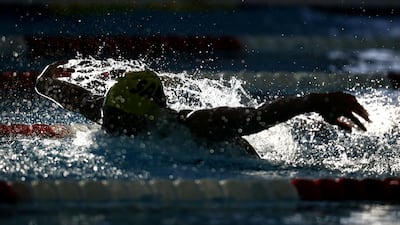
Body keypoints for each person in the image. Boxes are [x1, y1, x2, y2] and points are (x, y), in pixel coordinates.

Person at [35, 61, 370, 158]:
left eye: (123, 121)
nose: (111, 126)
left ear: (148, 117)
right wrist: (49, 76)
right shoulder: (114, 115)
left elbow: (257, 117)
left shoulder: (196, 125)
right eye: (111, 118)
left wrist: (314, 101)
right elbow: (48, 86)